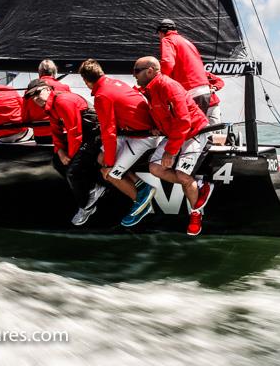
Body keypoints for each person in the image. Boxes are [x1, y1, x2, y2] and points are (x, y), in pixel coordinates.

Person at [133, 57, 213, 236]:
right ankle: (199, 186)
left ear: (150, 71)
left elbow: (184, 122)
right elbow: (163, 114)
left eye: (136, 70)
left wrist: (171, 151)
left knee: (183, 176)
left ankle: (195, 213)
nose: (134, 75)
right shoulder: (150, 90)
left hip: (194, 132)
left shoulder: (169, 86)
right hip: (175, 135)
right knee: (154, 168)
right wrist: (156, 127)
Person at [79, 59, 159, 227]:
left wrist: (109, 164)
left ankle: (141, 203)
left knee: (109, 173)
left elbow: (108, 133)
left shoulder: (101, 95)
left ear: (86, 81)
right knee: (101, 158)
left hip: (143, 138)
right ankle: (140, 184)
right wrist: (106, 160)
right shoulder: (114, 82)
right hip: (136, 133)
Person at [26, 81, 105, 226]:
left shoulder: (63, 101)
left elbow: (75, 132)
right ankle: (92, 187)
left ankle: (86, 206)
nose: (35, 98)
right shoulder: (50, 106)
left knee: (72, 172)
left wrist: (71, 156)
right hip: (84, 135)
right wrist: (61, 152)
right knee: (57, 161)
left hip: (95, 134)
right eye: (31, 96)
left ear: (48, 89)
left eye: (37, 93)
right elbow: (56, 132)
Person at [157, 18, 211, 113]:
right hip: (204, 91)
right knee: (198, 126)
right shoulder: (187, 42)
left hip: (190, 91)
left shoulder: (167, 40)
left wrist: (160, 83)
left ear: (161, 32)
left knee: (183, 126)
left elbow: (168, 63)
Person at [23, 60, 71, 143]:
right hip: (61, 133)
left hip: (41, 136)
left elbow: (25, 117)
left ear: (39, 73)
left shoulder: (29, 92)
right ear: (55, 72)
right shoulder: (64, 88)